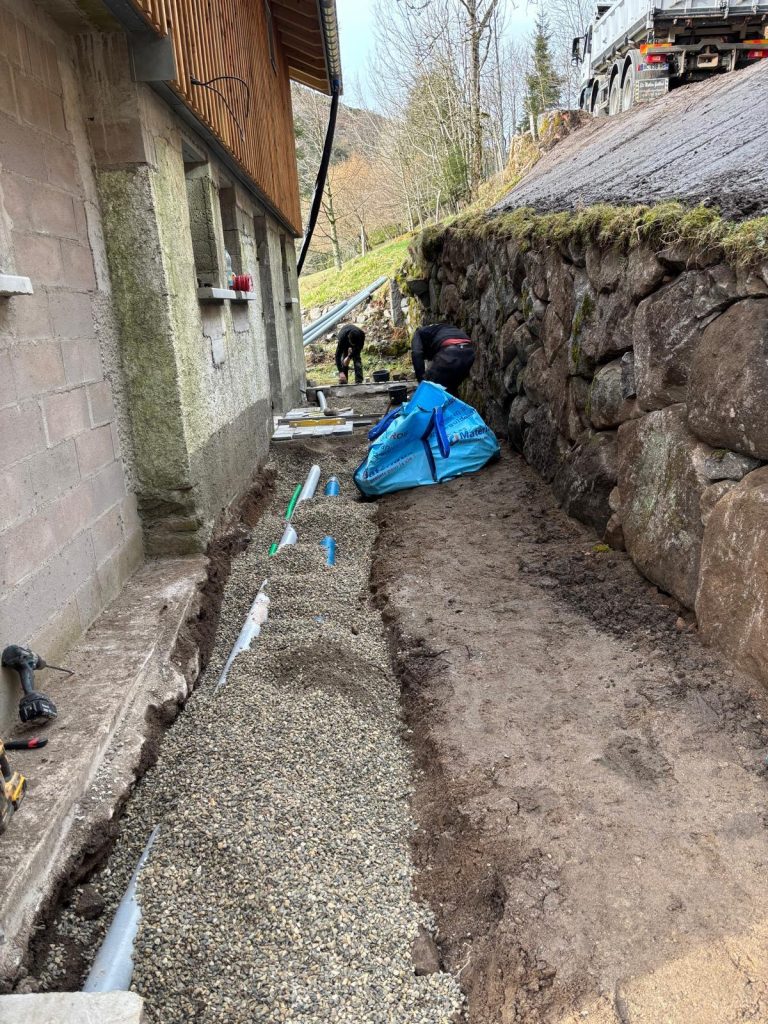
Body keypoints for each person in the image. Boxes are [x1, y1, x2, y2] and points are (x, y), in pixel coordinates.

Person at [411, 322, 475, 397]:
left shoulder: (418, 334)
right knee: (450, 390)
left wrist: (422, 382)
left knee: (430, 388)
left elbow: (416, 354)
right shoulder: (439, 329)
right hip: (469, 353)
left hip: (450, 351)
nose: (427, 359)